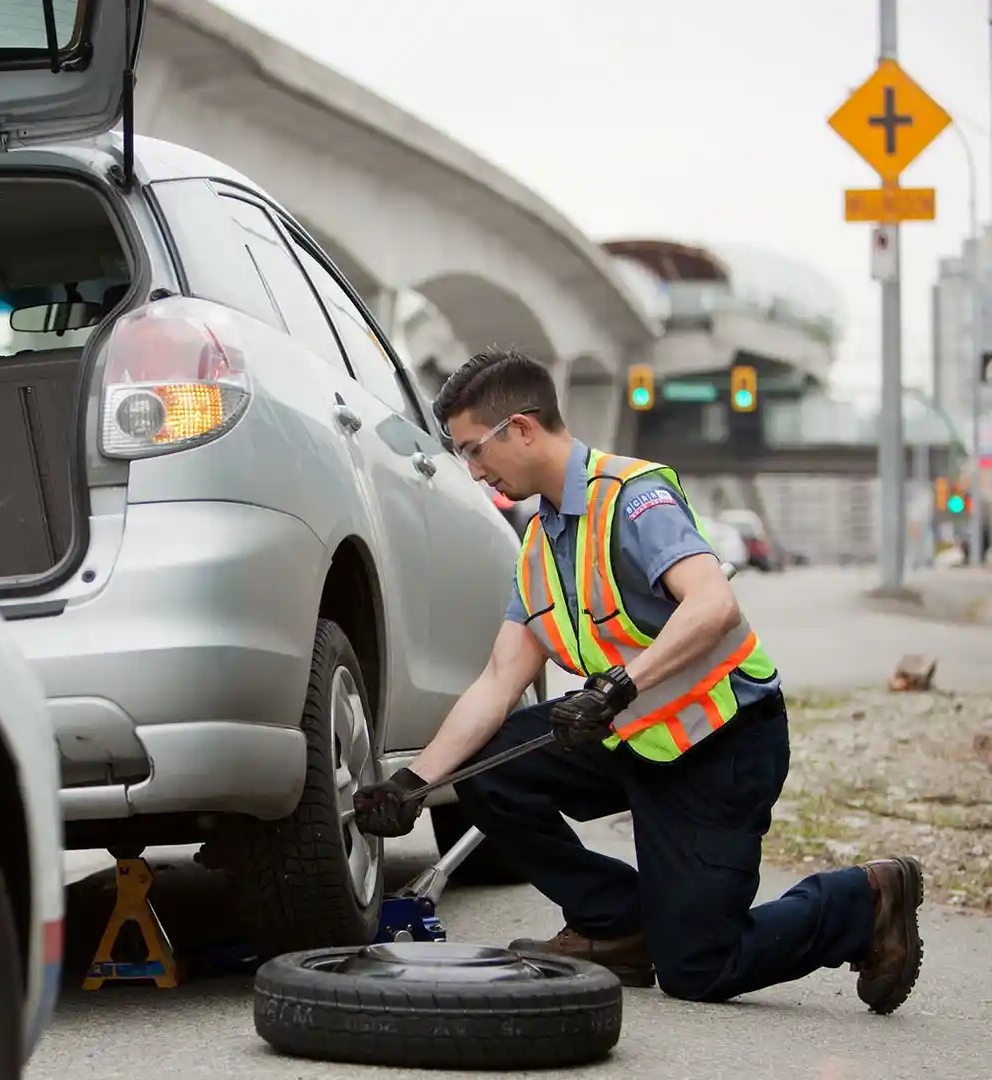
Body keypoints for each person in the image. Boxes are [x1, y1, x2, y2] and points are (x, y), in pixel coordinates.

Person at [352, 349, 924, 1014]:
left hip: (719, 745)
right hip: (632, 736)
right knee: (483, 768)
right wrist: (414, 784)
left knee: (700, 967)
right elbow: (498, 680)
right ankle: (615, 922)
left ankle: (864, 899)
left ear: (523, 428)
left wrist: (615, 687)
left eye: (474, 450)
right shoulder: (540, 543)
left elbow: (713, 604)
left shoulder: (633, 496)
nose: (475, 472)